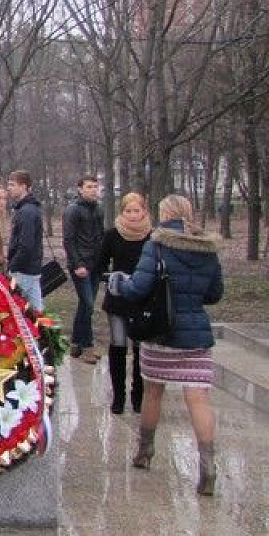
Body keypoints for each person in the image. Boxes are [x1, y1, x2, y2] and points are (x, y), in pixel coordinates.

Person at [107, 195, 222, 496]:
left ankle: (145, 451)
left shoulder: (157, 244)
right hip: (196, 335)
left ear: (165, 213)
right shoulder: (207, 247)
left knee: (153, 392)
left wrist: (119, 283)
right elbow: (214, 294)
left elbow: (139, 287)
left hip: (161, 332)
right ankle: (208, 468)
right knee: (198, 399)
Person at [97, 191, 152, 414]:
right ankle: (118, 396)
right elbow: (100, 264)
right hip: (118, 297)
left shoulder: (152, 237)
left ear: (144, 212)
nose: (132, 215)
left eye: (136, 211)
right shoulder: (112, 235)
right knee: (118, 344)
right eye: (128, 211)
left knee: (139, 347)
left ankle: (138, 395)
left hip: (142, 299)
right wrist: (112, 277)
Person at [63, 176, 105, 364]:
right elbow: (69, 240)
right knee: (87, 304)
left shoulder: (98, 209)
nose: (93, 190)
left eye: (95, 186)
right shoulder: (73, 210)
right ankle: (87, 346)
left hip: (96, 263)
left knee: (86, 305)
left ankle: (76, 343)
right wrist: (78, 264)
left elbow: (101, 236)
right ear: (80, 189)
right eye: (89, 187)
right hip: (80, 264)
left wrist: (103, 261)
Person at [6, 170, 44, 311]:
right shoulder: (27, 209)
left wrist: (13, 266)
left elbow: (26, 244)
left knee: (19, 310)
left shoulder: (27, 212)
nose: (9, 188)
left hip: (23, 270)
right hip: (30, 267)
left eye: (12, 184)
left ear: (23, 186)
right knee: (35, 309)